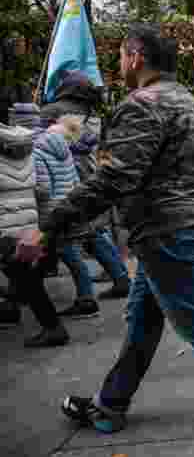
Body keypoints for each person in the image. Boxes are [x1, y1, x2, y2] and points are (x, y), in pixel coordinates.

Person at [16, 24, 194, 436]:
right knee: (142, 319)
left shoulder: (143, 104)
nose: (119, 63)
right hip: (177, 224)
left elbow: (115, 178)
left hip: (163, 229)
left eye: (120, 55)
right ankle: (110, 403)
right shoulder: (186, 100)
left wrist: (48, 226)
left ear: (135, 57)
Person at [41, 71, 132, 304]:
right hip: (90, 175)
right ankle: (120, 277)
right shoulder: (92, 115)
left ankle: (85, 296)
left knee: (64, 233)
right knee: (90, 230)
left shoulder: (51, 112)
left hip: (60, 178)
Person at [0, 113, 69, 345]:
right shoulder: (26, 150)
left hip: (5, 224)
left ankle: (52, 328)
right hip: (28, 221)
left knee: (26, 278)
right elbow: (41, 188)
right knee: (24, 274)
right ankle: (15, 309)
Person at [32, 118, 100, 319]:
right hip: (69, 207)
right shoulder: (66, 151)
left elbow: (43, 189)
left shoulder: (38, 152)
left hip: (52, 212)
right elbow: (76, 182)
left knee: (68, 254)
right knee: (56, 253)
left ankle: (87, 300)